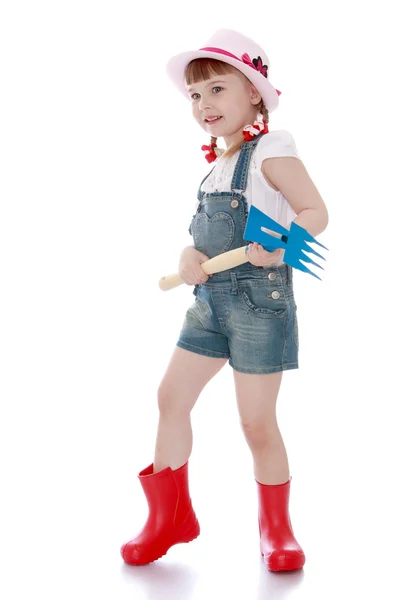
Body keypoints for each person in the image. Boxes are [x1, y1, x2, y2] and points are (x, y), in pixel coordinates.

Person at [120, 28, 329, 572]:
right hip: (209, 300)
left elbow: (315, 212)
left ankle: (276, 529)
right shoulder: (218, 162)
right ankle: (169, 518)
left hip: (261, 302)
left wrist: (282, 245)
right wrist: (189, 254)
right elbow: (206, 239)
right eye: (195, 95)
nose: (203, 104)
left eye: (216, 89)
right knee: (171, 397)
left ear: (254, 93)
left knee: (256, 423)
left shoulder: (271, 150)